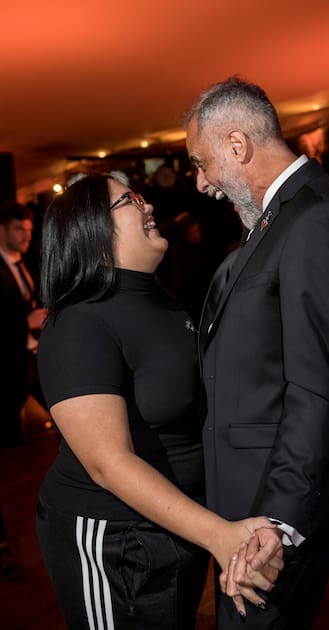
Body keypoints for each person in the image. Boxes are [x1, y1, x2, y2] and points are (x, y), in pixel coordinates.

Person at [35, 173, 282, 630]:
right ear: (92, 228)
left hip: (176, 526)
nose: (147, 205)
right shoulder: (78, 324)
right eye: (129, 200)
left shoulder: (160, 301)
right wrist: (219, 535)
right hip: (114, 539)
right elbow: (107, 464)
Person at [185, 77, 329, 629]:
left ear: (238, 145)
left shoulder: (317, 220)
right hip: (246, 503)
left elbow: (318, 388)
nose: (201, 184)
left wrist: (278, 521)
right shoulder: (276, 219)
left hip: (273, 510)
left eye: (202, 164)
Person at [0, 201, 47, 447]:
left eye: (29, 230)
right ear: (2, 230)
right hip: (8, 363)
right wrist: (24, 322)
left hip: (31, 359)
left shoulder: (25, 263)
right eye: (19, 229)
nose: (26, 235)